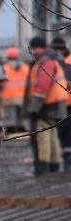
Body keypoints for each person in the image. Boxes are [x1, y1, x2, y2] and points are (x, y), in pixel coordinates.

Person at [25, 36, 68, 175]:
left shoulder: (45, 61)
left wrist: (34, 108)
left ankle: (43, 168)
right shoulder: (52, 59)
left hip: (47, 106)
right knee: (52, 135)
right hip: (56, 105)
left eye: (33, 48)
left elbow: (42, 87)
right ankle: (54, 165)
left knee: (43, 137)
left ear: (38, 48)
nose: (32, 51)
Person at [1, 46, 30, 132]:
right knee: (23, 119)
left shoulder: (4, 68)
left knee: (10, 120)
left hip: (8, 97)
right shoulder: (26, 67)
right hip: (23, 97)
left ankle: (12, 131)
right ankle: (22, 131)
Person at [52, 37, 71, 169]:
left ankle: (67, 154)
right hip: (65, 101)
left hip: (66, 102)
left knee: (65, 131)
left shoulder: (65, 63)